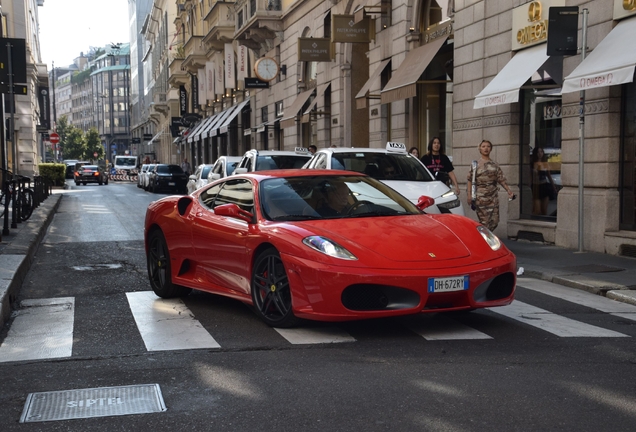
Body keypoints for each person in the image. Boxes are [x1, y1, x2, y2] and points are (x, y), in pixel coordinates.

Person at [466, 140, 514, 231]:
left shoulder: (495, 164)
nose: (486, 148)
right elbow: (469, 179)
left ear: (491, 149)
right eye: (483, 146)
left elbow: (501, 179)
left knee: (495, 222)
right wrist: (469, 195)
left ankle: (481, 237)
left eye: (488, 146)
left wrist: (508, 190)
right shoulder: (475, 164)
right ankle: (482, 242)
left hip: (493, 197)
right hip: (480, 198)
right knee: (485, 222)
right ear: (479, 148)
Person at [531, 147, 557, 216]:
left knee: (544, 210)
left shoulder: (545, 164)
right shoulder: (532, 164)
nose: (540, 154)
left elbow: (549, 176)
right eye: (538, 152)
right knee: (537, 210)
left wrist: (554, 187)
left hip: (544, 186)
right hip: (536, 187)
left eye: (541, 152)